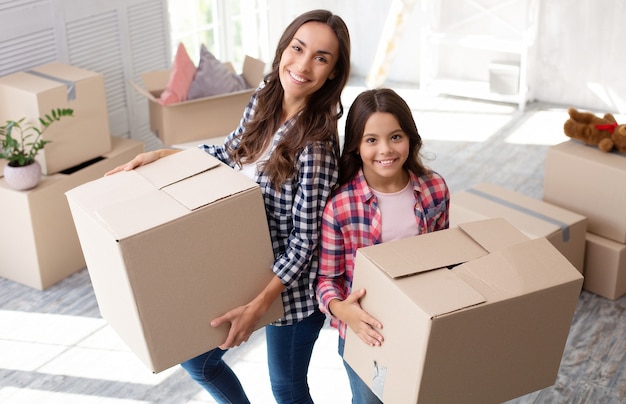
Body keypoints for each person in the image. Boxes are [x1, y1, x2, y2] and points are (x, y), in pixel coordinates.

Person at [105, 9, 351, 404]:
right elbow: (230, 153)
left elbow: (306, 243)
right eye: (298, 48)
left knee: (286, 389)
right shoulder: (264, 99)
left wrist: (258, 306)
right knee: (197, 361)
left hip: (290, 289)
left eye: (321, 58)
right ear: (284, 48)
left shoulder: (317, 145)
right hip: (243, 265)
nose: (303, 65)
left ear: (333, 74)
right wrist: (165, 155)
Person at [315, 88, 450, 403]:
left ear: (410, 138)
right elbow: (326, 280)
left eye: (396, 136)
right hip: (365, 334)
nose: (386, 150)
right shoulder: (340, 207)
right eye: (371, 140)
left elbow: (445, 257)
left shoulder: (435, 189)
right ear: (356, 146)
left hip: (420, 327)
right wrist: (340, 310)